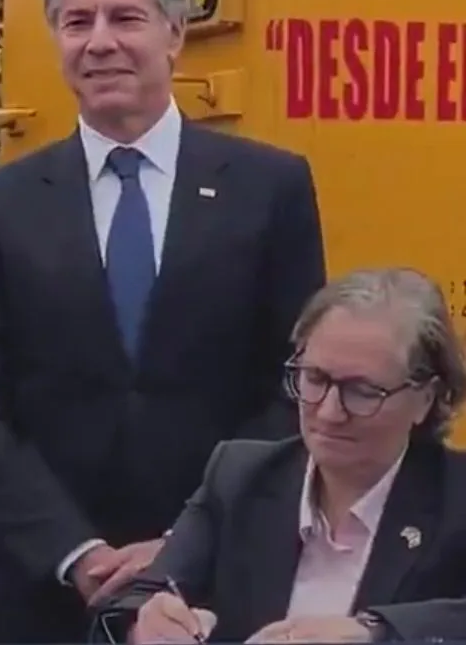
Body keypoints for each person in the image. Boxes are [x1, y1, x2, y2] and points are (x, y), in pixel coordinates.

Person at [0, 0, 327, 643]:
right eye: (77, 21)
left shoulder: (269, 189)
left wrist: (184, 541)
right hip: (31, 598)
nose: (100, 41)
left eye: (125, 17)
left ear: (174, 32)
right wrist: (75, 552)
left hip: (211, 596)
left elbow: (294, 391)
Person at [100, 267, 466, 644]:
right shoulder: (240, 476)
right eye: (316, 379)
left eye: (362, 391)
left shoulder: (456, 499)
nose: (329, 412)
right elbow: (141, 597)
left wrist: (375, 633)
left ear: (425, 398)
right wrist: (144, 625)